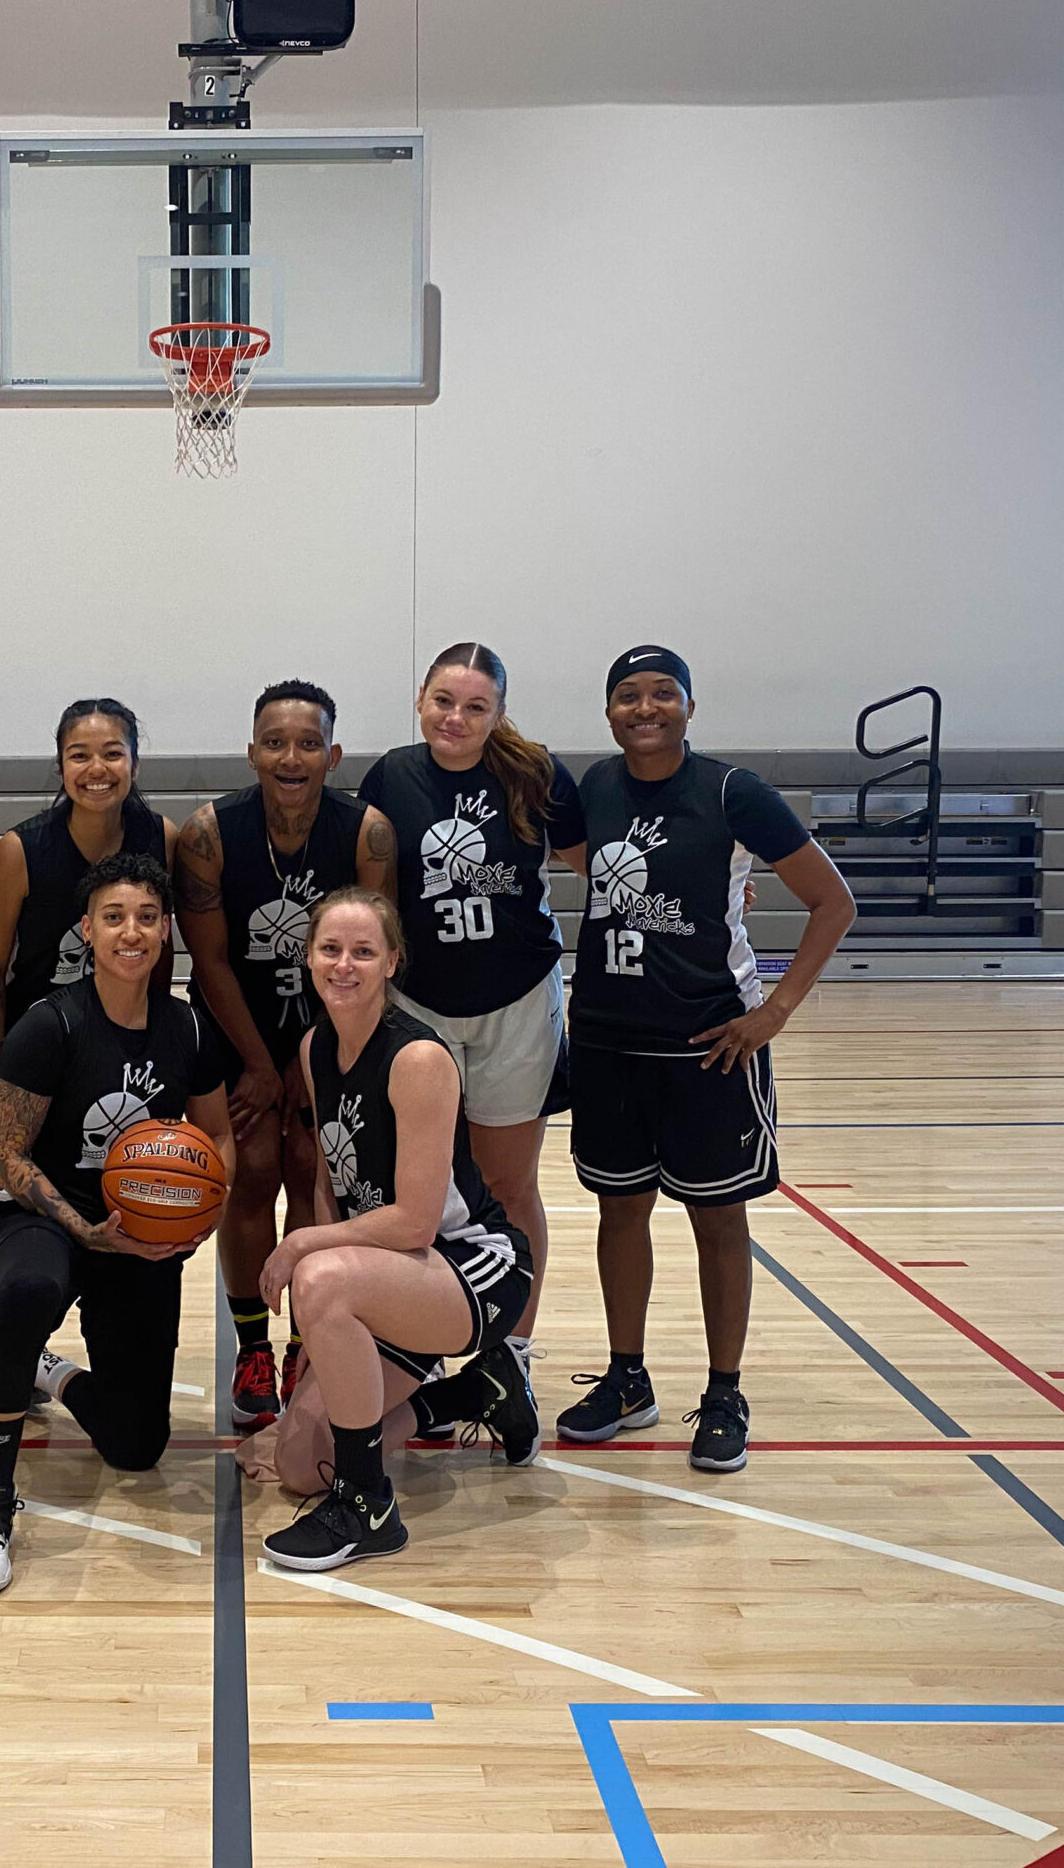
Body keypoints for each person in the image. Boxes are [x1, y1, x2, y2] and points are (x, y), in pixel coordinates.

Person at [554, 646, 856, 1472]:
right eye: (627, 695)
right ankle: (628, 1378)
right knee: (621, 1213)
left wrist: (775, 1011)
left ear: (690, 706)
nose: (644, 708)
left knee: (718, 1221)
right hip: (611, 1039)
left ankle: (724, 1391)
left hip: (709, 1045)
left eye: (662, 694)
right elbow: (598, 868)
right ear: (607, 711)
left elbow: (834, 901)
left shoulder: (734, 792)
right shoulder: (593, 790)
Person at [0, 852, 234, 1595]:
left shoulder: (187, 1028)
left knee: (137, 1448)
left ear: (166, 928)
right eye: (114, 917)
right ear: (87, 929)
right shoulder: (51, 1024)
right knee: (27, 1294)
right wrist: (85, 1228)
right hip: (44, 1218)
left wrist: (200, 1217)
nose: (130, 932)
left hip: (137, 1234)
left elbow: (218, 1139)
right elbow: (2, 1155)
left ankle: (53, 1372)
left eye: (146, 916)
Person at [245, 888, 536, 1572]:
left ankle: (368, 1506)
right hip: (387, 1276)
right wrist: (322, 1333)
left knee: (317, 1273)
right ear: (309, 957)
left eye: (364, 952)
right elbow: (326, 1184)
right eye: (331, 950)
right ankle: (474, 1393)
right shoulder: (317, 1047)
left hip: (471, 1270)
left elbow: (415, 1221)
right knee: (298, 1462)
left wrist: (302, 1251)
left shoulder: (418, 1060)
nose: (345, 965)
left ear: (392, 963)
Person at [0, 699, 175, 1462]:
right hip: (39, 1062)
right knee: (6, 1209)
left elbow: (175, 956)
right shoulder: (21, 852)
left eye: (112, 752)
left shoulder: (162, 840)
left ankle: (61, 1362)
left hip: (118, 1055)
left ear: (135, 762)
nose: (97, 768)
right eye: (80, 754)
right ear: (60, 765)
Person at [356, 643, 583, 1403]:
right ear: (420, 698)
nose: (456, 719)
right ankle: (424, 1341)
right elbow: (373, 884)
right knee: (425, 1187)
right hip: (421, 1004)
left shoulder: (536, 775)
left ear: (498, 714)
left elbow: (600, 860)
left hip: (517, 1000)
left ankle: (509, 1356)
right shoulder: (391, 775)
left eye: (475, 707)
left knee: (510, 1184)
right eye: (443, 702)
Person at [174, 681, 395, 1433]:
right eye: (274, 742)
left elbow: (366, 956)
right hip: (237, 1029)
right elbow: (210, 963)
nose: (290, 756)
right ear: (252, 753)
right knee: (253, 1167)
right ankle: (251, 1348)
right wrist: (264, 1067)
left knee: (313, 1167)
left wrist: (314, 1065)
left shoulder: (366, 833)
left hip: (333, 1030)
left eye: (307, 743)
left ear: (332, 754)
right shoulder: (209, 835)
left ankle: (306, 1339)